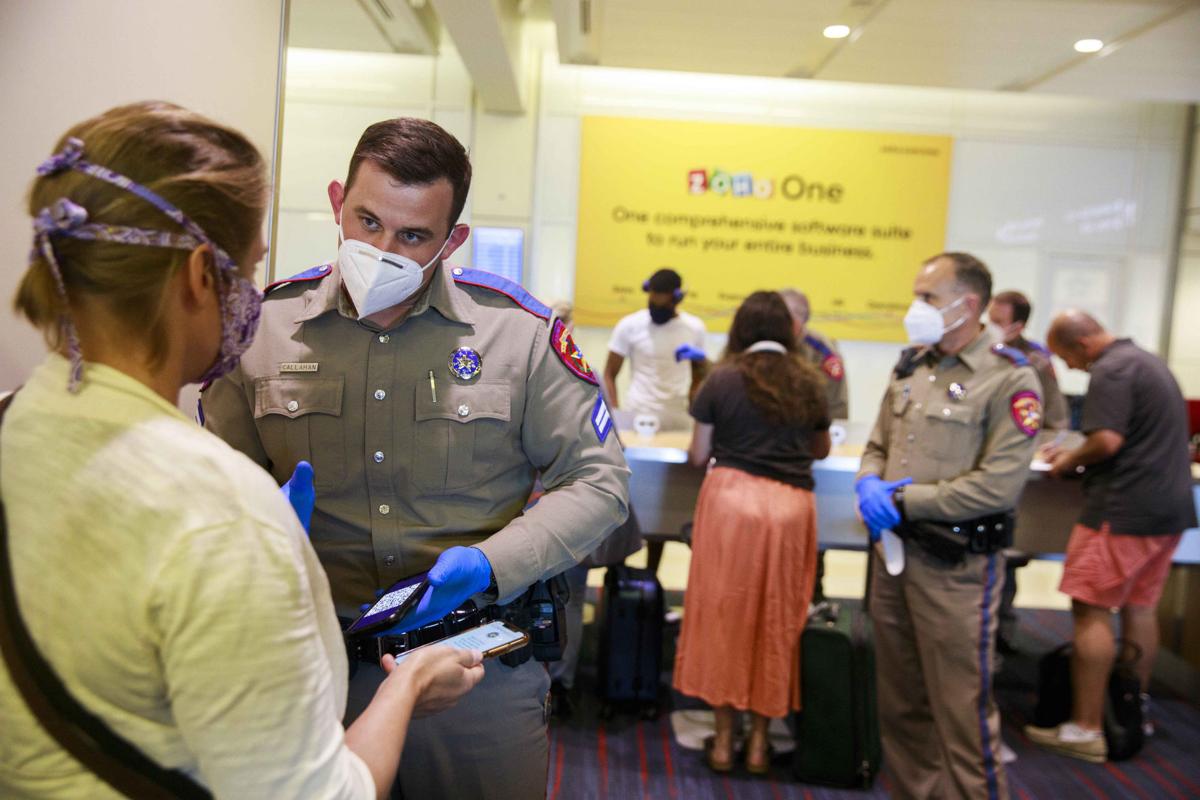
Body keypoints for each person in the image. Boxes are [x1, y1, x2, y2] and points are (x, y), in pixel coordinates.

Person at [0, 103, 483, 799]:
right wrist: (405, 686)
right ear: (202, 277)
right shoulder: (223, 513)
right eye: (249, 268)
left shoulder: (12, 422)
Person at [201, 117, 630, 799]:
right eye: (366, 221)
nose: (380, 248)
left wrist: (492, 564)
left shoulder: (518, 335)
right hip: (309, 660)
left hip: (472, 662)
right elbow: (210, 478)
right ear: (339, 200)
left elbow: (600, 482)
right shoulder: (260, 327)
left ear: (452, 239)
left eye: (411, 236)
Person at [856, 252, 1042, 800]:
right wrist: (870, 481)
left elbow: (999, 486)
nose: (916, 308)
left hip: (956, 569)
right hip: (893, 562)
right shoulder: (913, 365)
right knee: (901, 704)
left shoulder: (1009, 377)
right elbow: (876, 446)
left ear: (969, 305)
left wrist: (908, 500)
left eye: (928, 297)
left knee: (961, 712)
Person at [1024, 311, 1197, 762]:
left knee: (1090, 609)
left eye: (1068, 359)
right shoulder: (1146, 361)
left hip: (1121, 510)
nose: (1072, 370)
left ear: (1082, 344)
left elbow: (1106, 441)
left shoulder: (1111, 370)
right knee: (1140, 607)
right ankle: (1129, 711)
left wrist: (1066, 462)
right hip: (1167, 511)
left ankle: (1086, 728)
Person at [672, 291, 831, 775]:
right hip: (790, 508)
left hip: (732, 505)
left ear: (739, 329)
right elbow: (822, 450)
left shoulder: (721, 378)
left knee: (726, 617)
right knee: (777, 618)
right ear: (788, 330)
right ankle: (760, 745)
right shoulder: (810, 381)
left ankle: (722, 743)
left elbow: (698, 455)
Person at [602, 267, 706, 574]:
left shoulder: (694, 327)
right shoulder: (629, 325)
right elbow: (609, 373)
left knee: (664, 498)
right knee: (629, 494)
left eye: (662, 300)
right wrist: (619, 415)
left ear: (676, 298)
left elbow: (700, 374)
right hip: (637, 420)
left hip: (677, 421)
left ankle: (652, 573)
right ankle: (616, 568)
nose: (655, 304)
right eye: (652, 298)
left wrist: (695, 405)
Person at [987, 290, 1071, 657]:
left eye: (997, 321)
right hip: (977, 471)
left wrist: (1037, 452)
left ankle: (1001, 630)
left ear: (1018, 326)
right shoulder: (972, 351)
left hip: (1017, 472)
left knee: (1007, 554)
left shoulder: (1034, 361)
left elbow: (1056, 421)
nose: (988, 326)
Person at [779, 288, 848, 419]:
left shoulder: (823, 351)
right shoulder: (753, 342)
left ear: (805, 319)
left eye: (797, 313)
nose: (790, 320)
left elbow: (837, 405)